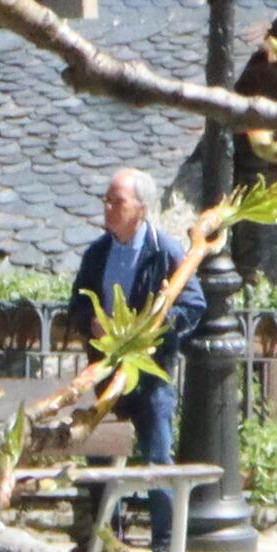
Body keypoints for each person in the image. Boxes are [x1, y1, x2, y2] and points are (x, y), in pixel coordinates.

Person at [67, 168, 189, 469]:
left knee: (157, 460)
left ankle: (163, 504)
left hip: (150, 375)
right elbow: (77, 304)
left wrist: (159, 322)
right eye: (106, 200)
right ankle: (104, 504)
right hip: (106, 371)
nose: (108, 208)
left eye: (117, 201)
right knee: (100, 458)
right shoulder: (97, 253)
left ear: (141, 210)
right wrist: (91, 322)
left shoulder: (165, 252)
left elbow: (193, 305)